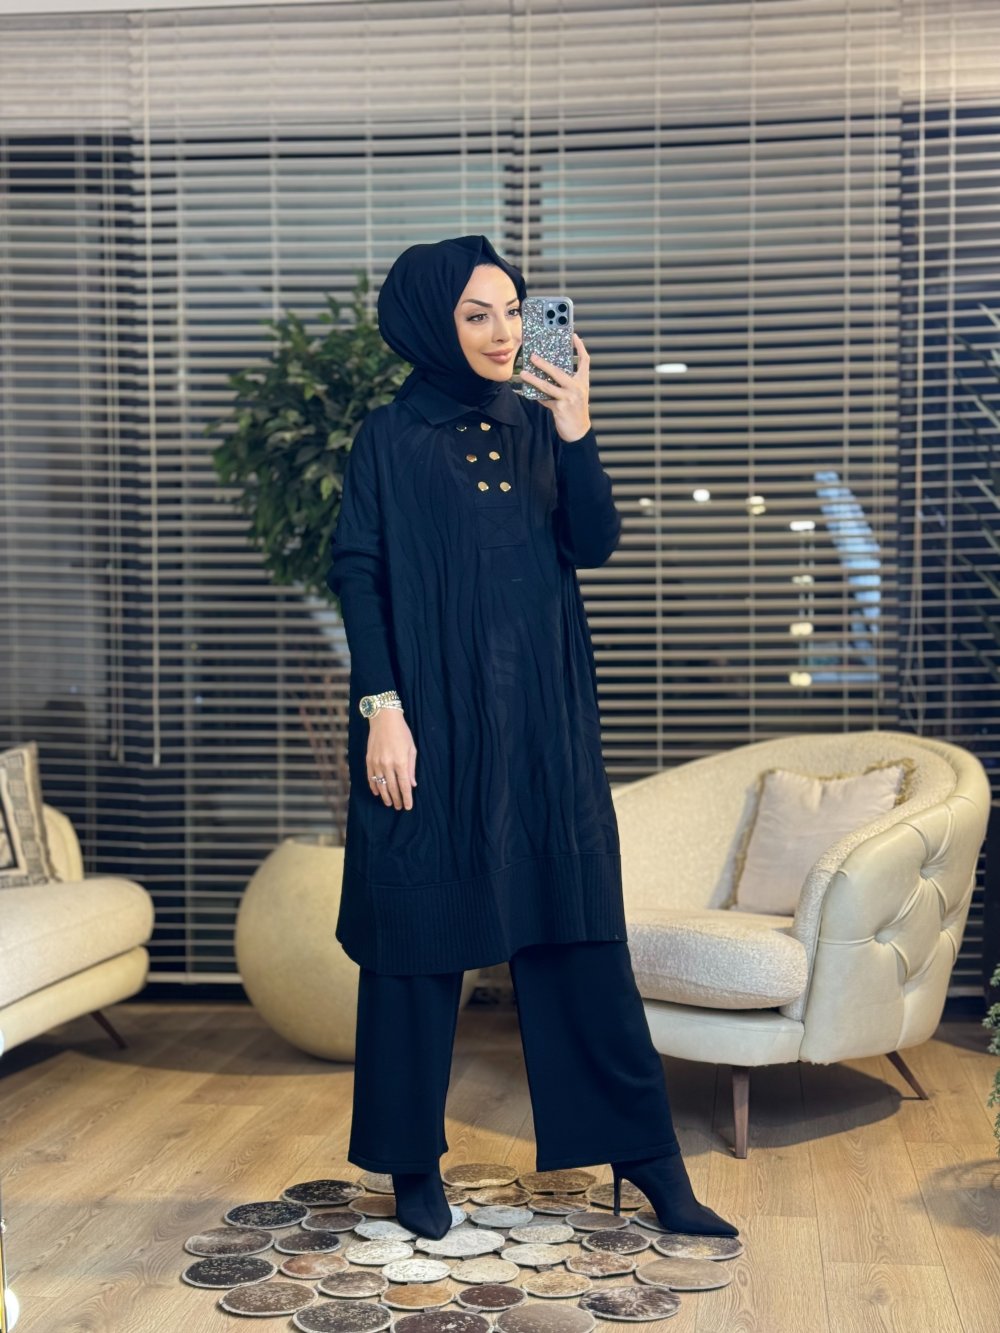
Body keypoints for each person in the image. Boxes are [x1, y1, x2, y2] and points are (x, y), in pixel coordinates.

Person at [327, 235, 738, 1243]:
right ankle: (411, 1164)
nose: (504, 330)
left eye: (513, 309)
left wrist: (577, 426)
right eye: (478, 314)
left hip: (543, 723)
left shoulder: (540, 421)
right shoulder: (390, 435)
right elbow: (358, 571)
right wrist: (381, 709)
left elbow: (592, 542)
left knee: (578, 932)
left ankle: (646, 1160)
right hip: (427, 721)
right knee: (418, 935)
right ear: (433, 322)